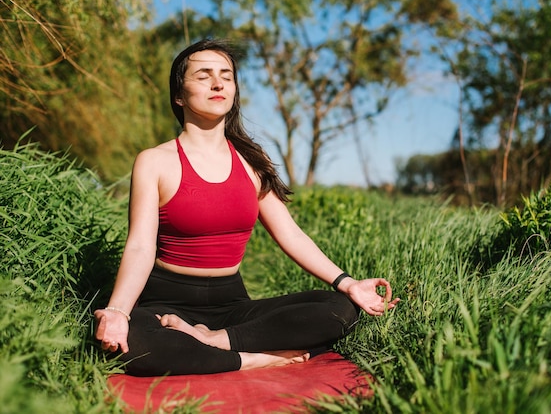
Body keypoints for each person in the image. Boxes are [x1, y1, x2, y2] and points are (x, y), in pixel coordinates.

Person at [94, 38, 399, 377]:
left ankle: (217, 341)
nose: (218, 82)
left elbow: (291, 234)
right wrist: (118, 312)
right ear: (179, 95)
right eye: (203, 75)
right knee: (136, 342)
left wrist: (348, 283)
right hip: (165, 303)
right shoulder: (154, 162)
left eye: (226, 75)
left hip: (232, 304)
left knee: (339, 309)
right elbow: (139, 245)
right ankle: (252, 358)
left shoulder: (252, 163)